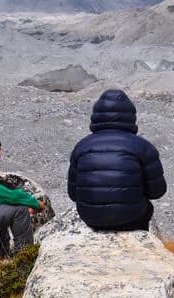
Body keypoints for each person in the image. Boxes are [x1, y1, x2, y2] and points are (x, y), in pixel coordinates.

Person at [68, 89, 166, 231]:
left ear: (96, 115)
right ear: (131, 116)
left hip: (91, 218)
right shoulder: (143, 146)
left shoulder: (81, 146)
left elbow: (72, 194)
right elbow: (157, 192)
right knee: (145, 208)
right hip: (131, 219)